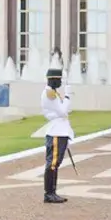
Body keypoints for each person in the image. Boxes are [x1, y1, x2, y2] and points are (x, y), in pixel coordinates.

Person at [41, 67, 74, 203]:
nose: (60, 82)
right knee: (53, 164)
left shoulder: (53, 93)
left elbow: (66, 110)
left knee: (56, 163)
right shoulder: (49, 93)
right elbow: (62, 111)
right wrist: (67, 96)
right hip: (56, 132)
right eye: (58, 79)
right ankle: (49, 193)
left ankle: (52, 192)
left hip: (60, 131)